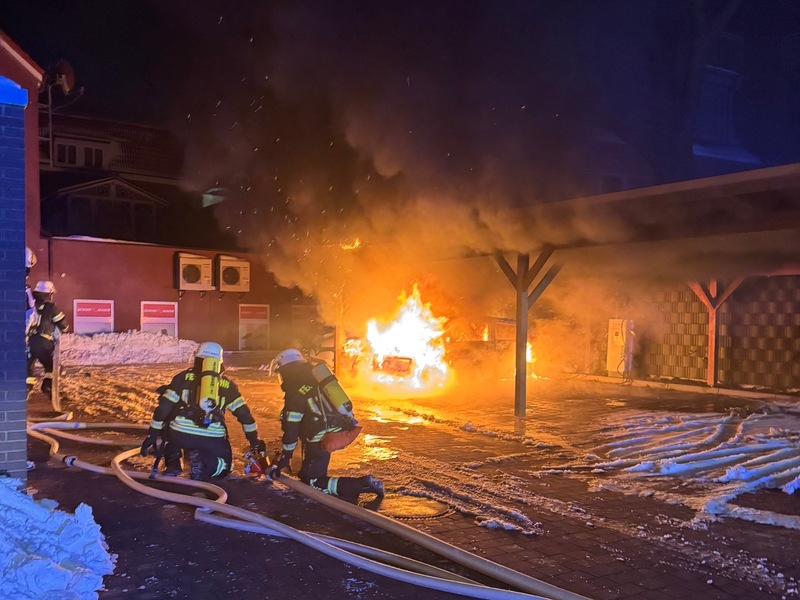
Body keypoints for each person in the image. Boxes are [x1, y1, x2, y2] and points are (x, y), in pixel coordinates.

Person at [270, 348, 384, 501]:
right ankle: (357, 486)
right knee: (306, 473)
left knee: (312, 480)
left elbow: (291, 428)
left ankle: (363, 484)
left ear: (284, 369)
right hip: (335, 426)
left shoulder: (294, 390)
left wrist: (286, 456)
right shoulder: (315, 377)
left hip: (320, 434)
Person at [140, 341, 265, 481]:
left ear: (197, 358)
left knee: (168, 428)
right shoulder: (228, 386)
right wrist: (254, 441)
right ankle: (205, 463)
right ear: (219, 362)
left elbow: (163, 409)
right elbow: (245, 416)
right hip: (212, 437)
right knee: (224, 468)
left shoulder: (182, 378)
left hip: (180, 434)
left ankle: (173, 463)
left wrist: (152, 435)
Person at [26, 280, 69, 397]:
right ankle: (48, 387)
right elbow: (63, 325)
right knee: (52, 366)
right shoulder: (50, 307)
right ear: (49, 293)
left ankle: (25, 391)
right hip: (43, 342)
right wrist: (64, 328)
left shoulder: (28, 305)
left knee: (27, 368)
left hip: (27, 342)